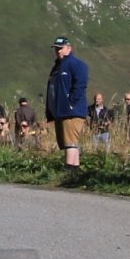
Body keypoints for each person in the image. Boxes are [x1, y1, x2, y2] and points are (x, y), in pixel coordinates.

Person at [44, 36, 89, 176]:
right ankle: (74, 170)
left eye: (61, 48)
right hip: (60, 111)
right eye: (56, 49)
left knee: (70, 141)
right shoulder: (57, 66)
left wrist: (71, 102)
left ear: (69, 48)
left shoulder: (76, 64)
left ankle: (68, 169)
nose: (58, 51)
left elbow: (80, 84)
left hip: (71, 111)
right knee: (66, 142)